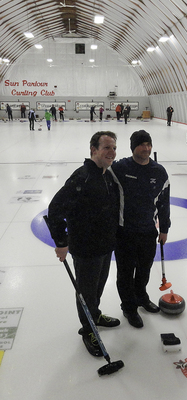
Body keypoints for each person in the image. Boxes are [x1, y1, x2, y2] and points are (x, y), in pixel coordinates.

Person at [46, 131, 120, 357]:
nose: (111, 152)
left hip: (106, 245)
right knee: (86, 291)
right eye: (106, 147)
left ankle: (95, 314)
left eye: (114, 148)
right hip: (86, 248)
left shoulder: (107, 174)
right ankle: (88, 329)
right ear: (93, 150)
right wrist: (61, 242)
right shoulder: (82, 177)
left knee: (98, 287)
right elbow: (55, 209)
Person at [110, 130, 171, 328]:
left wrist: (164, 228)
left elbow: (164, 202)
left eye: (148, 144)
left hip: (148, 231)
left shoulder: (159, 171)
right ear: (133, 147)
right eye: (141, 144)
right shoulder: (120, 168)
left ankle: (141, 297)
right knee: (126, 272)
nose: (146, 148)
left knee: (144, 269)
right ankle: (129, 307)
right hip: (124, 232)